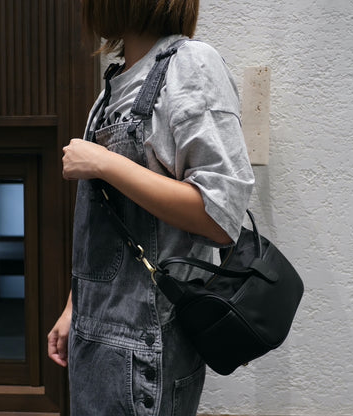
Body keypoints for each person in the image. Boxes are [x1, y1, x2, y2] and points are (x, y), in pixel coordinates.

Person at [47, 0, 254, 414]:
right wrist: (76, 306)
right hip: (95, 338)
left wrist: (105, 164)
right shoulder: (113, 88)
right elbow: (110, 225)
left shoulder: (191, 64)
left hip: (145, 348)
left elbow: (220, 216)